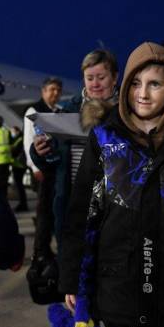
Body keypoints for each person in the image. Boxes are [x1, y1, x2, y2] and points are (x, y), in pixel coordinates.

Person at [60, 42, 164, 327]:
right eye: (135, 83)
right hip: (118, 285)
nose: (142, 94)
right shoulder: (104, 138)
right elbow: (81, 212)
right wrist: (73, 279)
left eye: (154, 84)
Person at [31, 49, 119, 251]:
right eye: (89, 78)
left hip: (117, 209)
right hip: (74, 208)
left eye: (101, 77)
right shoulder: (68, 111)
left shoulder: (129, 109)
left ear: (115, 78)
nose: (94, 84)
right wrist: (40, 152)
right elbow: (52, 162)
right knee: (73, 273)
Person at [23, 77, 63, 262]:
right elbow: (28, 140)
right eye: (51, 89)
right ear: (43, 91)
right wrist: (34, 166)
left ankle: (55, 247)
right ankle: (41, 250)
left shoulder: (61, 112)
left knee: (58, 210)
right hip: (42, 169)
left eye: (57, 90)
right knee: (44, 211)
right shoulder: (33, 111)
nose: (54, 93)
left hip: (58, 168)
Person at [10, 125, 29, 212]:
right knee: (19, 186)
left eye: (13, 131)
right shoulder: (19, 138)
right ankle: (22, 204)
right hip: (19, 164)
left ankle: (23, 204)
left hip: (19, 165)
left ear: (17, 131)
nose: (12, 133)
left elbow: (15, 151)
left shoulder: (19, 139)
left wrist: (10, 149)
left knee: (19, 186)